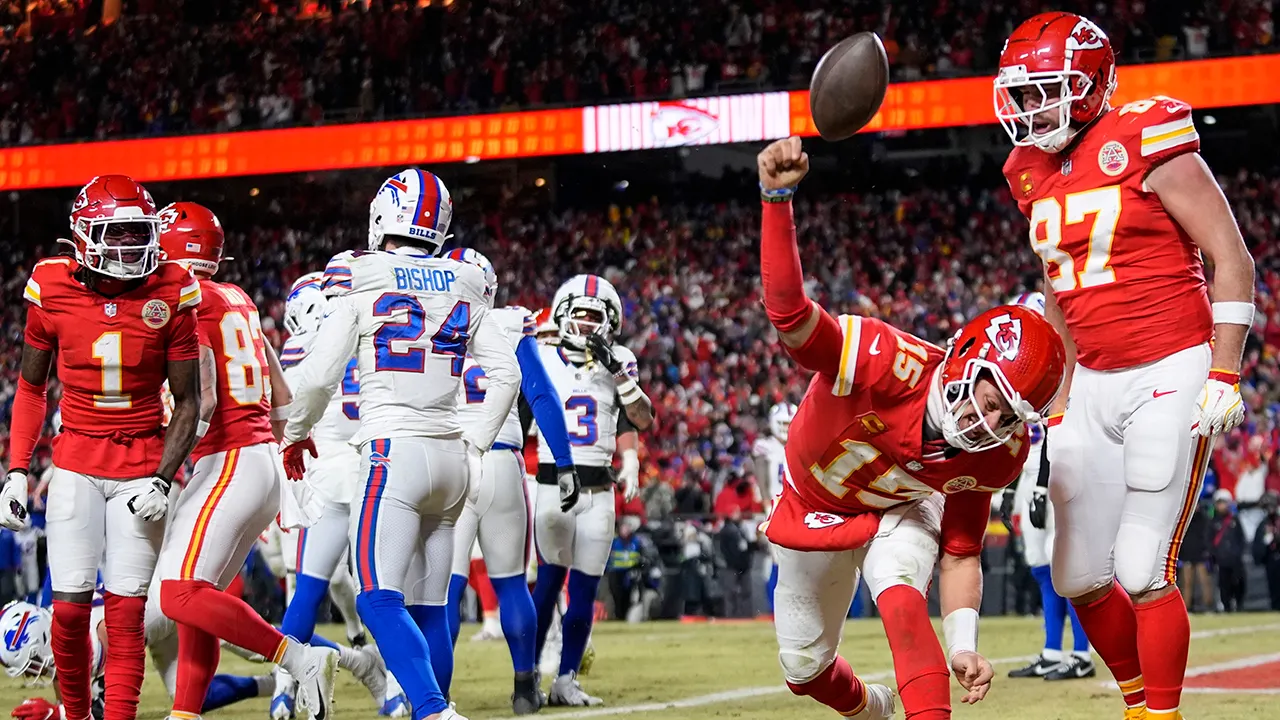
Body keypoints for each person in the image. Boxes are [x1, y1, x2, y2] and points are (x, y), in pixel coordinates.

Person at [996, 12, 1256, 719]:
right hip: (1092, 383)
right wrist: (1057, 400)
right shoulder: (1028, 170)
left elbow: (1231, 257)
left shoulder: (1148, 133)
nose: (1029, 108)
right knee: (1076, 572)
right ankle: (1138, 701)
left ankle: (1158, 714)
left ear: (1090, 86)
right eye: (1022, 93)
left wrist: (1225, 372)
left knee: (1143, 569)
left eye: (1045, 90)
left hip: (1172, 366)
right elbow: (1058, 285)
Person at [756, 136, 1067, 720]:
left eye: (1009, 414)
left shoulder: (998, 452)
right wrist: (777, 199)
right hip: (811, 500)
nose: (990, 420)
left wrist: (964, 645)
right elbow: (793, 320)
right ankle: (873, 708)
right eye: (991, 394)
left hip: (899, 508)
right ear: (966, 356)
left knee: (901, 600)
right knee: (803, 668)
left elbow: (961, 550)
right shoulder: (887, 360)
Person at [281, 168, 521, 720]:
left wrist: (295, 435)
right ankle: (433, 705)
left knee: (376, 598)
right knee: (430, 607)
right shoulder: (462, 279)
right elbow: (505, 375)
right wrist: (478, 445)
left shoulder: (361, 275)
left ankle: (434, 710)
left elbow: (318, 378)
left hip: (394, 453)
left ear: (382, 214)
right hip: (454, 458)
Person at [0, 175, 203, 720]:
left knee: (125, 615)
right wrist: (17, 469)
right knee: (66, 612)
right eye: (116, 234)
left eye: (138, 233)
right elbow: (31, 386)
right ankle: (75, 713)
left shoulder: (172, 287)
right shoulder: (51, 284)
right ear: (85, 235)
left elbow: (188, 401)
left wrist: (163, 477)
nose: (130, 247)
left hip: (141, 464)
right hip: (76, 460)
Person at [154, 202, 344, 720]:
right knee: (201, 597)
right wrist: (288, 443)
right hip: (258, 456)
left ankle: (297, 657)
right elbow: (279, 385)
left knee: (179, 596)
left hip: (229, 457)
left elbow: (206, 398)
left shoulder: (183, 299)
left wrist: (164, 462)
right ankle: (185, 713)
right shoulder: (235, 295)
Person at [443, 247, 579, 715]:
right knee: (511, 583)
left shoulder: (424, 317)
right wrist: (563, 462)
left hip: (450, 460)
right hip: (500, 457)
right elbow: (540, 394)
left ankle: (435, 695)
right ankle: (525, 688)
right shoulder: (507, 324)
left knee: (446, 588)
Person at [529, 273, 654, 707]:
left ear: (610, 322)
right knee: (547, 584)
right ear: (562, 315)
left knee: (583, 589)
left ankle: (565, 678)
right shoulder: (541, 354)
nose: (585, 324)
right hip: (551, 483)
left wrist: (618, 374)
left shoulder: (619, 358)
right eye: (578, 315)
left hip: (600, 487)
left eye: (594, 316)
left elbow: (640, 418)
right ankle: (527, 676)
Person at [274, 271, 387, 718]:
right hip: (374, 470)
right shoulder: (366, 337)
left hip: (320, 477)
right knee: (384, 591)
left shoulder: (295, 352)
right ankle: (397, 690)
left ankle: (284, 691)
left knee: (305, 592)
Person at [1000, 292, 1095, 682]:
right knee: (1040, 563)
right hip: (1028, 470)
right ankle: (1053, 650)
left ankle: (1082, 654)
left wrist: (1041, 486)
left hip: (1061, 466)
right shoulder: (1019, 373)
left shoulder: (1068, 368)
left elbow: (1060, 432)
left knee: (1066, 563)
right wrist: (1009, 489)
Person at [752, 402, 795, 613]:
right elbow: (761, 474)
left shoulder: (800, 443)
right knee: (778, 559)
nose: (786, 428)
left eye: (790, 423)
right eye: (783, 423)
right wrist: (764, 504)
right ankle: (776, 610)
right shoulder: (765, 446)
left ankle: (794, 609)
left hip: (798, 507)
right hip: (775, 506)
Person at [1209, 488, 1246, 611]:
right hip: (1221, 560)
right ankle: (1227, 607)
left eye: (1224, 503)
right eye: (1219, 503)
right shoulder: (1213, 522)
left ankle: (1239, 605)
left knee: (1239, 583)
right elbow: (1209, 540)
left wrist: (1238, 553)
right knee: (1224, 585)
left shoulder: (1235, 520)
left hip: (1235, 559)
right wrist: (1215, 554)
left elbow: (1241, 538)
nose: (1222, 506)